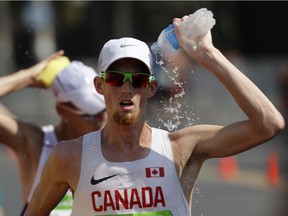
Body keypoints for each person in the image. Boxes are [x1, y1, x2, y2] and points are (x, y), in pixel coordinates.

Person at [24, 15, 284, 216]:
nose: (127, 88)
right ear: (100, 86)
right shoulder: (69, 156)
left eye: (137, 80)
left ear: (150, 87)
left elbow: (268, 124)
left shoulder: (180, 147)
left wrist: (209, 56)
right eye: (115, 79)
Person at [0, 51, 107, 215]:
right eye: (89, 114)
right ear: (61, 110)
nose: (101, 119)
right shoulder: (36, 143)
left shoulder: (114, 144)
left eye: (103, 109)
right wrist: (29, 77)